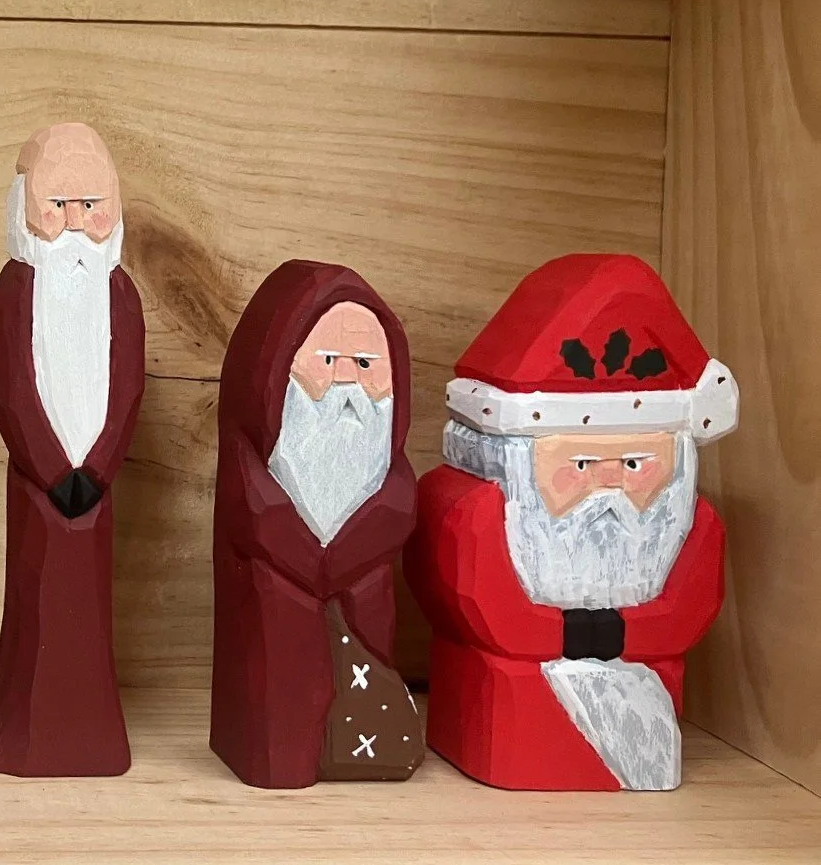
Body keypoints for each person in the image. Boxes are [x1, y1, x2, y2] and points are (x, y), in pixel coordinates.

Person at [410, 253, 734, 791]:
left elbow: (687, 611)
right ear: (513, 460)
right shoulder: (475, 513)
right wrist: (575, 633)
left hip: (647, 693)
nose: (609, 482)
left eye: (637, 464)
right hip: (512, 696)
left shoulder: (694, 523)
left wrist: (617, 635)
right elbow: (489, 611)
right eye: (580, 464)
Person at [0, 122, 146, 776]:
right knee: (37, 608)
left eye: (91, 205)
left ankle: (91, 734)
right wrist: (48, 467)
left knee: (87, 616)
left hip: (96, 487)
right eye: (58, 205)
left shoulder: (120, 294)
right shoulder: (14, 290)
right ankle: (22, 732)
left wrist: (99, 467)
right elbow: (12, 387)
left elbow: (127, 389)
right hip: (37, 484)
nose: (75, 222)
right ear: (25, 207)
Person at [209, 260, 422, 787]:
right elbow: (255, 514)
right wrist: (306, 558)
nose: (347, 381)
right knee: (281, 699)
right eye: (327, 361)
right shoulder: (250, 464)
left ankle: (357, 755)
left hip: (362, 601)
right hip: (279, 601)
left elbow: (396, 510)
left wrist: (343, 559)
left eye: (367, 364)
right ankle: (283, 757)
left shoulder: (391, 473)